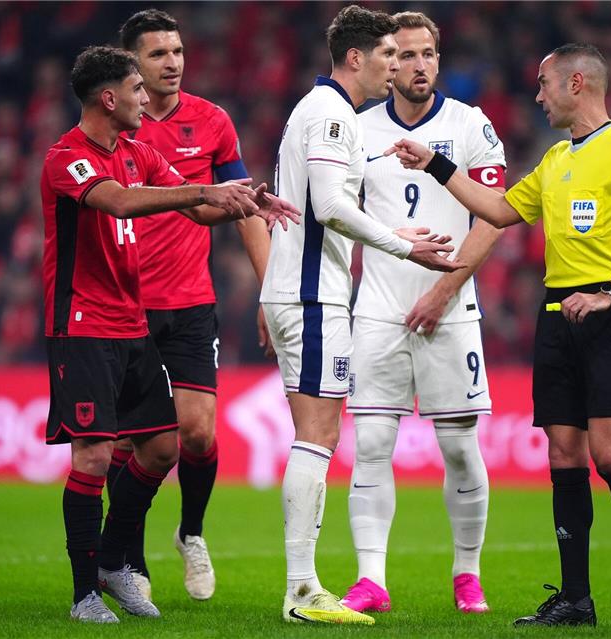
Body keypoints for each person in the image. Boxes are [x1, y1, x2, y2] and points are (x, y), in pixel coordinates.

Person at [387, 43, 611, 628]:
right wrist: (436, 165)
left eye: (544, 83)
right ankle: (577, 598)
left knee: (608, 453)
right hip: (557, 312)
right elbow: (497, 212)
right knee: (563, 451)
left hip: (608, 310)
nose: (537, 95)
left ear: (577, 84)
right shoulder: (554, 160)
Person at [42, 45, 297, 623]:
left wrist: (243, 202)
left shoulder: (136, 152)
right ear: (109, 98)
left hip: (132, 321)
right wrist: (205, 190)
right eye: (135, 89)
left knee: (161, 446)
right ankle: (86, 593)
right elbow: (122, 205)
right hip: (82, 324)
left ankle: (113, 560)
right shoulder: (68, 158)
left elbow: (197, 208)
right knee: (93, 455)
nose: (144, 99)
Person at [259, 4, 464, 625]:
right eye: (388, 55)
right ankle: (301, 591)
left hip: (300, 290)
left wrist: (395, 231)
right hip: (313, 296)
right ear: (357, 57)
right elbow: (330, 207)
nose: (397, 64)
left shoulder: (320, 112)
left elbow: (326, 208)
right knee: (319, 437)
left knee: (312, 435)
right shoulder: (331, 116)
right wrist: (406, 246)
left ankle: (303, 587)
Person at [339, 11, 505, 616]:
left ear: (439, 58)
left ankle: (467, 573)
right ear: (387, 63)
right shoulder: (357, 130)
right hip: (379, 309)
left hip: (452, 307)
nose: (418, 65)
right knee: (374, 441)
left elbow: (494, 214)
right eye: (406, 55)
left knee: (459, 447)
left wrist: (444, 290)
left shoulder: (471, 126)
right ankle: (371, 579)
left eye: (428, 54)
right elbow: (338, 216)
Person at [107, 8, 275, 602]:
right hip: (124, 306)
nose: (173, 62)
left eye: (177, 51)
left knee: (197, 436)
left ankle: (191, 533)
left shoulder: (212, 121)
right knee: (131, 446)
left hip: (190, 301)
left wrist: (269, 290)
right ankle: (127, 560)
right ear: (131, 63)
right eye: (157, 54)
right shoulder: (111, 127)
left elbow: (245, 207)